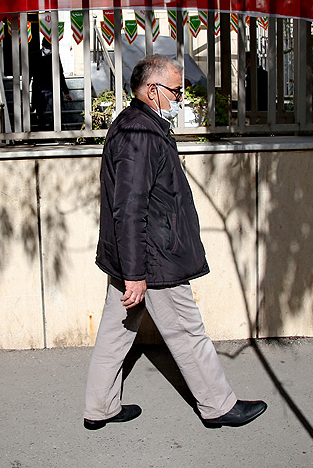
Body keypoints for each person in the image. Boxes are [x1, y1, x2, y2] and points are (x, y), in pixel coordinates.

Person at [83, 54, 266, 430]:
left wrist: (130, 269)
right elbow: (130, 208)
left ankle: (100, 408)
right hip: (153, 258)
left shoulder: (136, 124)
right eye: (176, 90)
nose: (180, 98)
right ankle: (218, 406)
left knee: (116, 331)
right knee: (186, 331)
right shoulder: (140, 134)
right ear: (152, 90)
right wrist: (136, 274)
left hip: (138, 254)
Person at [28, 38, 72, 130]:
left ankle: (55, 129)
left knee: (56, 111)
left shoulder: (55, 56)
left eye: (51, 47)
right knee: (40, 113)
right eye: (48, 47)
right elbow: (29, 73)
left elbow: (60, 74)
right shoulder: (34, 56)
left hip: (52, 89)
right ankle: (42, 129)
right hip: (39, 90)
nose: (49, 49)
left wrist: (66, 92)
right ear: (43, 46)